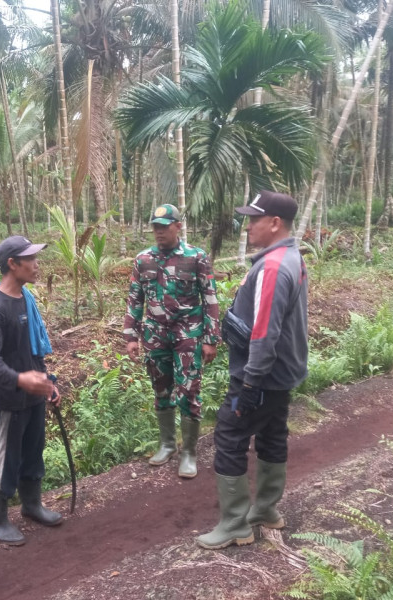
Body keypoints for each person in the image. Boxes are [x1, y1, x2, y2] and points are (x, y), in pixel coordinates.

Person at [196, 190, 308, 550]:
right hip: (280, 375)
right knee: (272, 436)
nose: (247, 227)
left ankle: (234, 525)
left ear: (274, 223)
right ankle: (265, 510)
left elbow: (265, 331)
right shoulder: (290, 257)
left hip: (261, 376)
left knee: (229, 438)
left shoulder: (274, 266)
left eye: (253, 219)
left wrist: (249, 383)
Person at [0, 236, 62, 546]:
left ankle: (32, 505)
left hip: (33, 397)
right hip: (9, 400)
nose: (37, 264)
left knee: (32, 452)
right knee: (4, 459)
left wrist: (47, 382)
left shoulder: (26, 299)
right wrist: (21, 380)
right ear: (12, 264)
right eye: (30, 259)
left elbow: (34, 351)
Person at [124, 204, 220, 479]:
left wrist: (211, 338)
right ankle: (167, 444)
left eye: (164, 226)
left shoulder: (196, 257)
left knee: (189, 389)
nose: (159, 232)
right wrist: (130, 335)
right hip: (155, 334)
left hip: (187, 334)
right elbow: (135, 299)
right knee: (161, 388)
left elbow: (209, 298)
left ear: (178, 226)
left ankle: (188, 451)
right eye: (155, 226)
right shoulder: (143, 260)